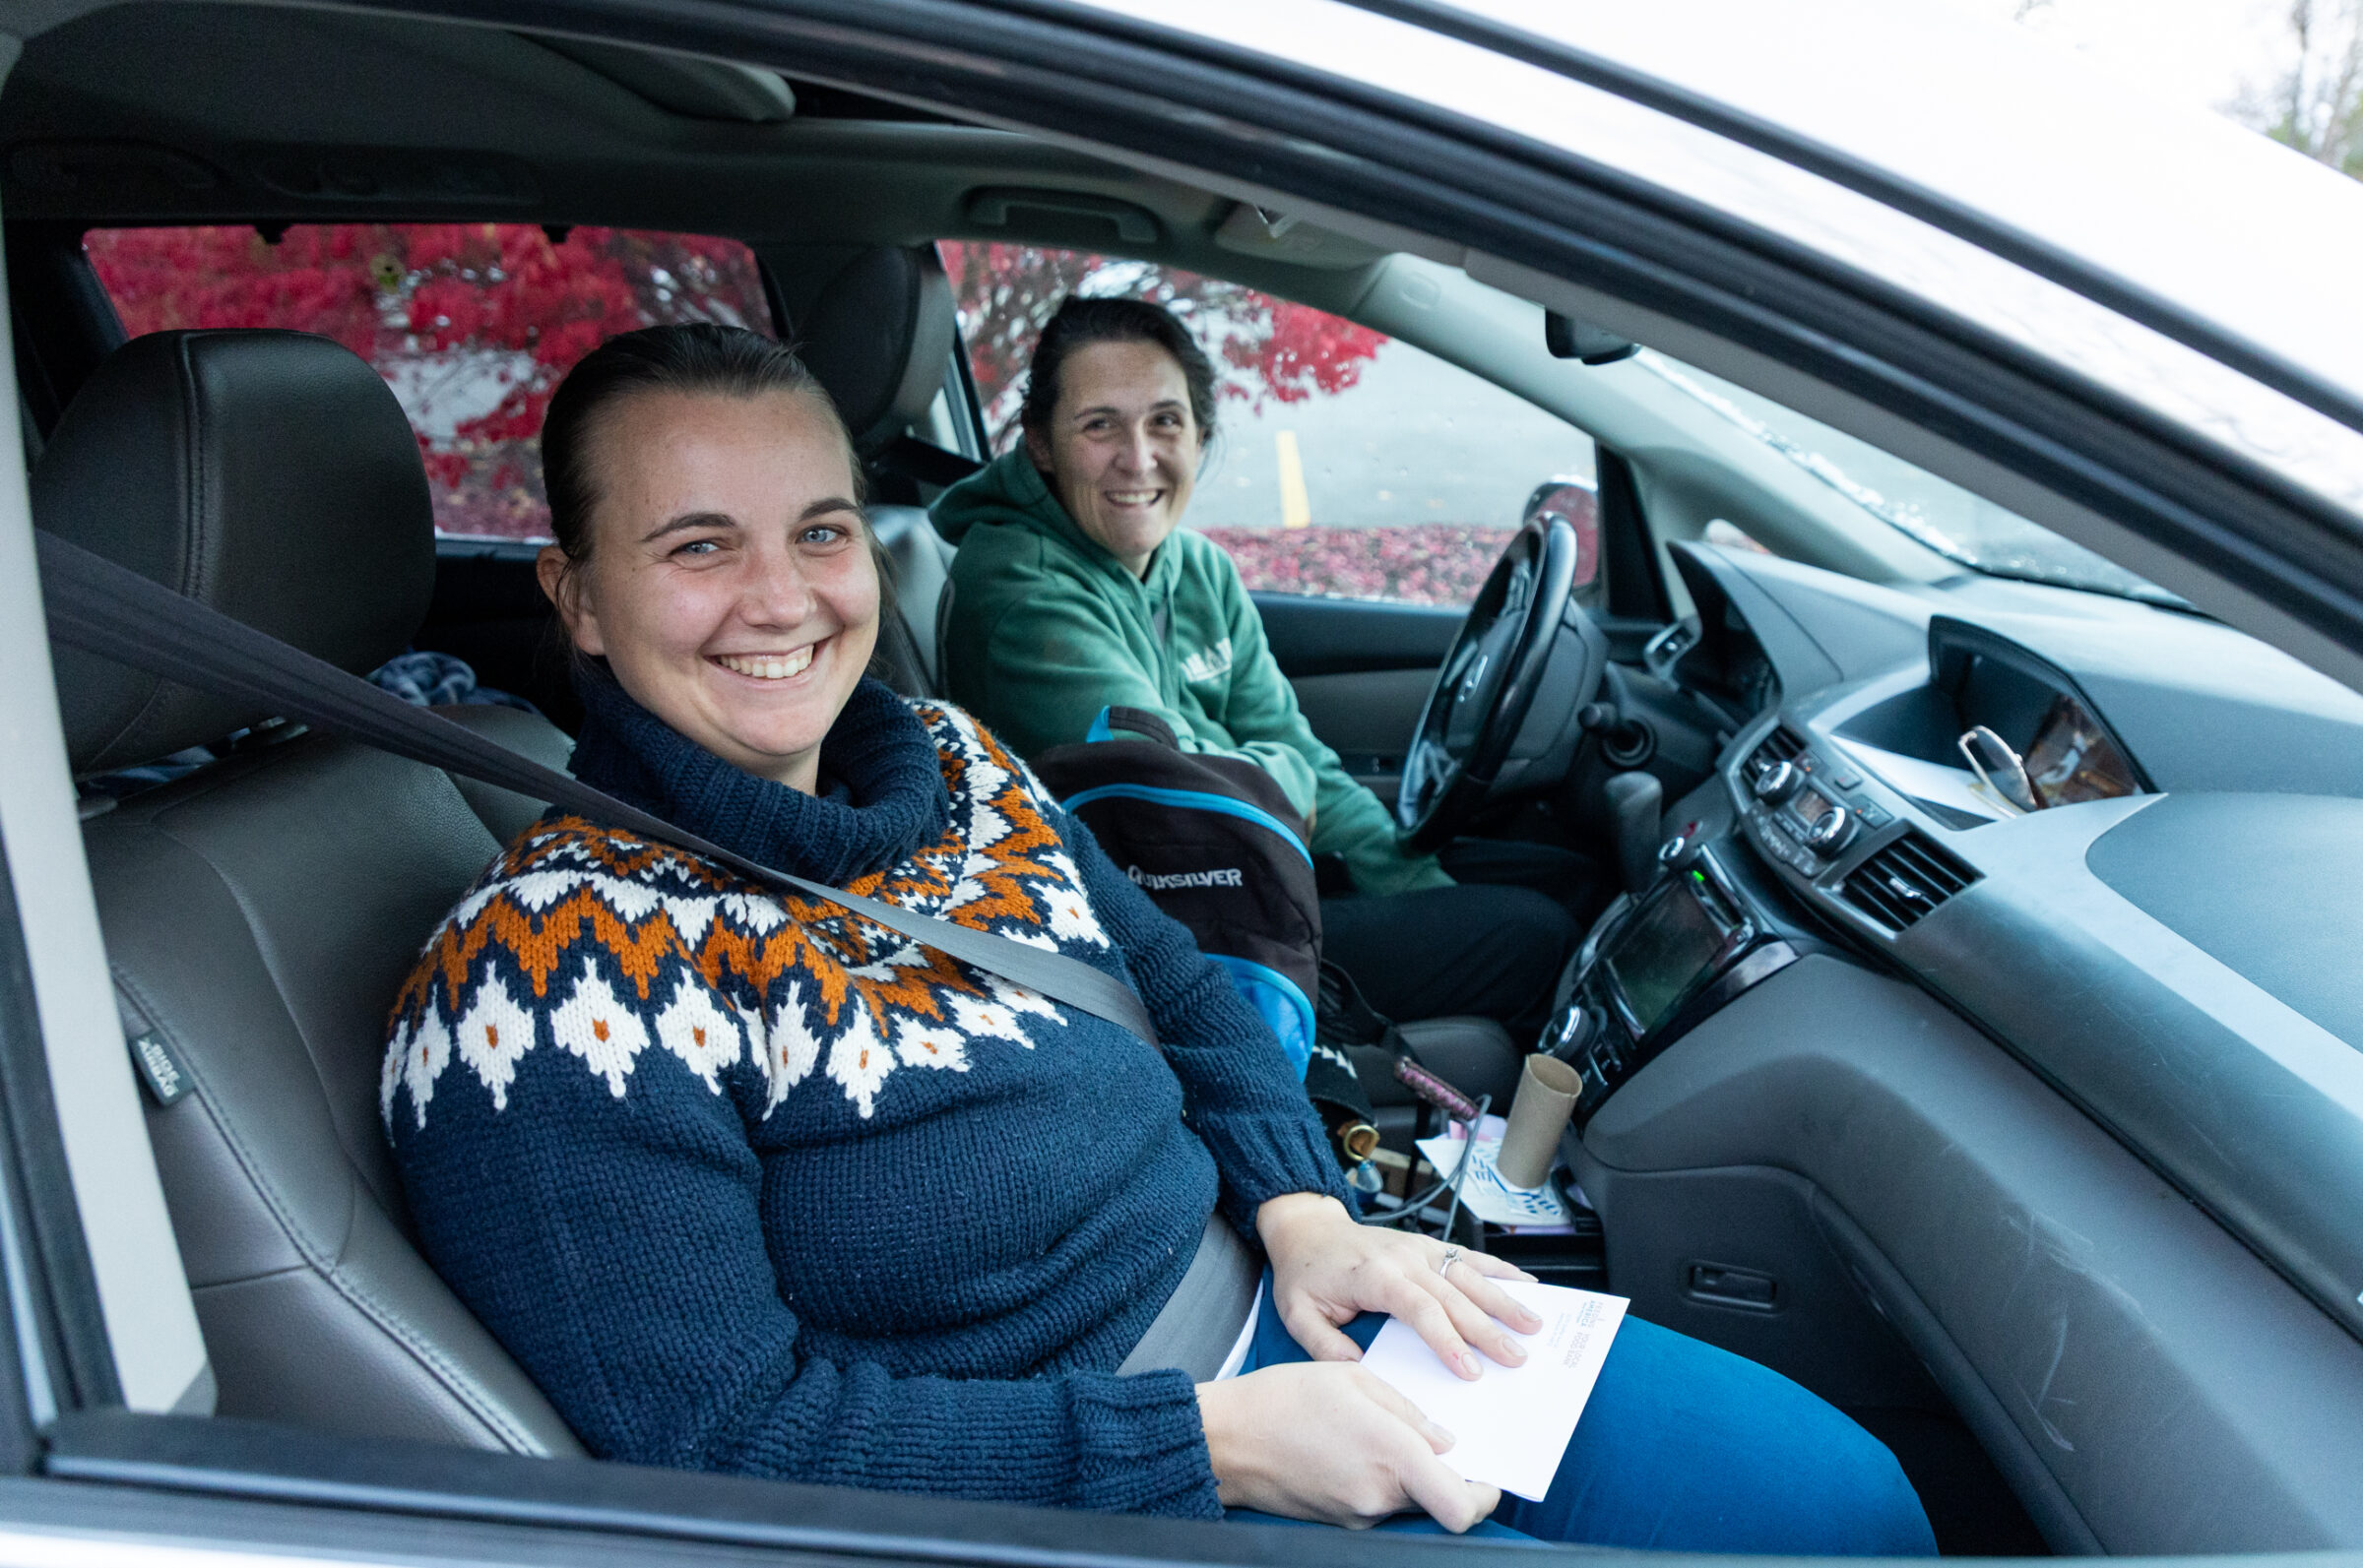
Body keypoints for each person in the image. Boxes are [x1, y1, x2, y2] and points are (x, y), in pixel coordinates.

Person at [381, 322, 1933, 1553]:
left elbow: (1180, 986)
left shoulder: (948, 760)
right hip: (1085, 1492)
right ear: (575, 597)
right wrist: (1217, 1446)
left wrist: (1304, 1213)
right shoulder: (537, 982)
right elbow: (723, 1444)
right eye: (699, 547)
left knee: (1851, 1507)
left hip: (1288, 1299)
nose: (782, 600)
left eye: (822, 530)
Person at [931, 297, 1591, 1045]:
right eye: (1098, 424)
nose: (1139, 457)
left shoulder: (1196, 567)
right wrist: (1289, 780)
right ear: (1041, 446)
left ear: (1200, 432)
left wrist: (1409, 879)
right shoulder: (1022, 597)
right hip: (1168, 939)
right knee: (1534, 937)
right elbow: (1184, 803)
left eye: (1165, 421)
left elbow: (1291, 747)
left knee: (1565, 877)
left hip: (1240, 880)